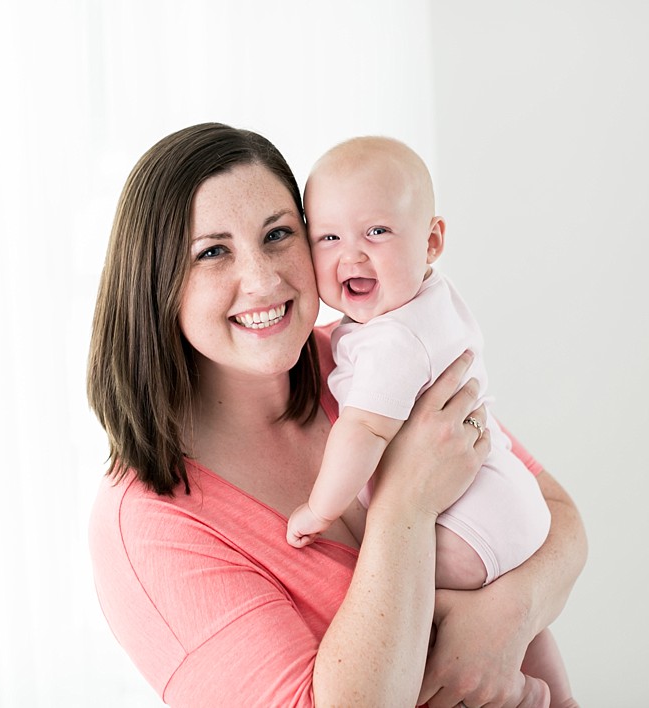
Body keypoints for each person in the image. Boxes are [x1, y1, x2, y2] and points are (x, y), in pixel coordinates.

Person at [87, 123, 585, 707]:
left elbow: (559, 516)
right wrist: (405, 502)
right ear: (154, 284)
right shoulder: (149, 526)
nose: (264, 278)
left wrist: (500, 621)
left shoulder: (368, 356)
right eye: (213, 251)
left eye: (277, 234)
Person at [285, 135, 571, 703]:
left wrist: (321, 508)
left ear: (433, 239)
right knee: (521, 623)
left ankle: (520, 695)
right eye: (329, 237)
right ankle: (558, 696)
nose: (352, 255)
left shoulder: (391, 342)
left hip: (469, 527)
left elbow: (363, 430)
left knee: (395, 594)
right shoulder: (430, 300)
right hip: (506, 498)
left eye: (378, 232)